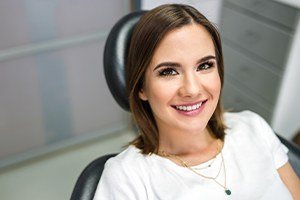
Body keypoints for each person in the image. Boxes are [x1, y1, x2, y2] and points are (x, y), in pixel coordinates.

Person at [94, 4, 300, 199]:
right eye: (169, 71)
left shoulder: (253, 128)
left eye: (204, 66)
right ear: (141, 87)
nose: (192, 89)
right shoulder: (126, 178)